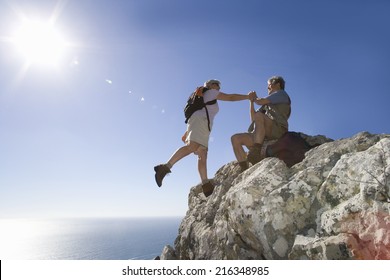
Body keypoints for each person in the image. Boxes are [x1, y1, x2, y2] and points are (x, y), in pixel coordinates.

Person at [154, 79, 256, 197]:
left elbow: (198, 112)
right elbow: (231, 97)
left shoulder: (204, 95)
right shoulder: (211, 92)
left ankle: (206, 186)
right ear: (210, 85)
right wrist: (247, 97)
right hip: (201, 123)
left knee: (202, 155)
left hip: (201, 124)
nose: (218, 88)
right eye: (217, 85)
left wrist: (187, 132)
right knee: (192, 147)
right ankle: (164, 167)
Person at [231, 76, 291, 172]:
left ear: (278, 84)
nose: (267, 87)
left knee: (259, 115)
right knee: (235, 138)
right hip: (266, 134)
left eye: (269, 85)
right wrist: (251, 102)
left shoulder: (281, 94)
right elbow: (254, 118)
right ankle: (244, 168)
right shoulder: (268, 103)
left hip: (278, 129)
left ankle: (256, 152)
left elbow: (259, 102)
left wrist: (254, 97)